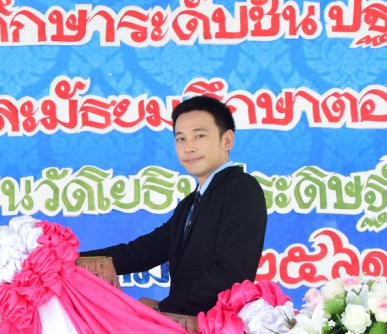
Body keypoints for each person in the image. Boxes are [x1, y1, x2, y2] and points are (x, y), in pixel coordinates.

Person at [81, 94, 268, 316]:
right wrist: (67, 260)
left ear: (227, 140)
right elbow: (142, 252)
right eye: (181, 139)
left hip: (219, 330)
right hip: (187, 329)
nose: (189, 147)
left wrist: (163, 308)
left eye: (199, 136)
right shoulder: (190, 204)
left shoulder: (242, 189)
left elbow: (232, 274)